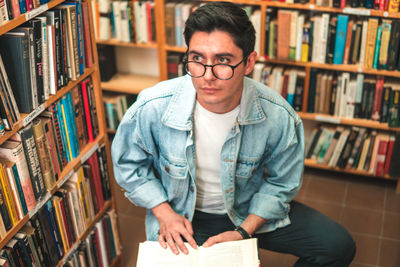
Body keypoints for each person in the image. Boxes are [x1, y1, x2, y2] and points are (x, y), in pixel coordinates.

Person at [111, 2, 356, 266]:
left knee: (337, 246)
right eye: (197, 59)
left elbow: (282, 185)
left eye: (223, 61)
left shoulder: (278, 116)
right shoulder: (152, 106)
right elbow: (128, 166)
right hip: (181, 214)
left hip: (247, 210)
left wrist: (243, 232)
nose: (207, 76)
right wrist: (164, 213)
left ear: (249, 62)